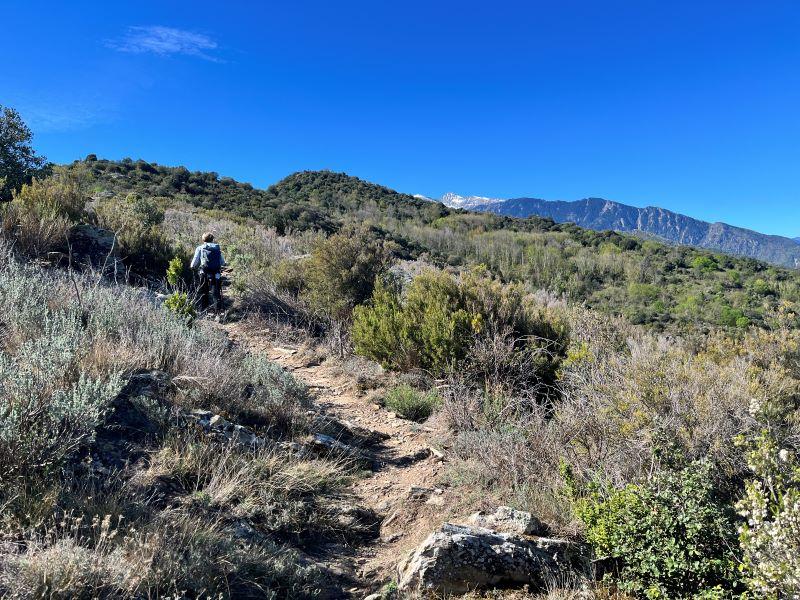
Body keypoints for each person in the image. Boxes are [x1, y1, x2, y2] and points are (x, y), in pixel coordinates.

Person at [190, 232, 226, 312]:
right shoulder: (217, 248)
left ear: (203, 239)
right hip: (216, 273)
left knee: (204, 291)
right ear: (212, 239)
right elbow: (223, 262)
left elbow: (194, 262)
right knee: (216, 292)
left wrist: (192, 267)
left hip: (204, 272)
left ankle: (204, 309)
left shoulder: (200, 248)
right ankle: (218, 311)